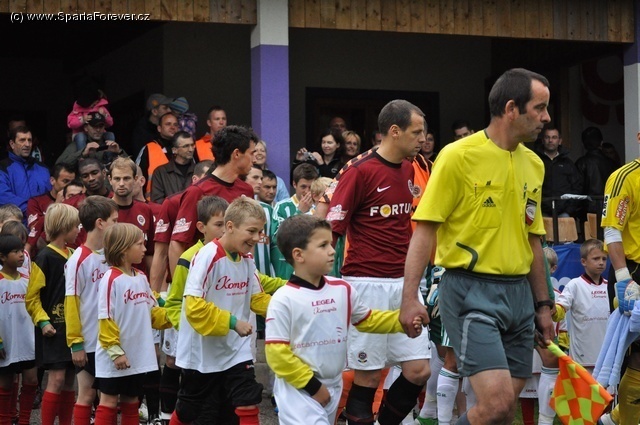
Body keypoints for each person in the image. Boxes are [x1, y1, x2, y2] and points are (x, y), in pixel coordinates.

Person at [401, 68, 555, 425]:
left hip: (518, 296)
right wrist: (410, 297)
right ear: (512, 109)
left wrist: (543, 305)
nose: (547, 118)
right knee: (497, 404)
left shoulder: (534, 164)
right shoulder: (458, 155)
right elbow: (424, 230)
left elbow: (533, 238)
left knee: (501, 412)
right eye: (540, 108)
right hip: (470, 291)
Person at [328, 99, 430, 425]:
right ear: (395, 131)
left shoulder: (411, 168)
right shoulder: (358, 171)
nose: (422, 139)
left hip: (404, 284)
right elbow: (332, 229)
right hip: (366, 283)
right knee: (369, 376)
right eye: (416, 132)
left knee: (419, 370)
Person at [265, 214, 421, 425]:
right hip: (298, 389)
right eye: (323, 245)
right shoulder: (284, 299)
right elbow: (277, 354)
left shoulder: (342, 289)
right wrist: (313, 386)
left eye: (330, 244)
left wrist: (403, 320)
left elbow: (367, 320)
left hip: (333, 385)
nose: (332, 250)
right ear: (298, 255)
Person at [170, 196, 271, 425]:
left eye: (260, 232)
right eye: (251, 231)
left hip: (236, 350)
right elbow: (194, 307)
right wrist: (233, 322)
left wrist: (288, 310)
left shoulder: (247, 259)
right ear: (230, 226)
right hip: (202, 353)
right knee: (189, 411)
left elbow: (257, 298)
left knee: (247, 400)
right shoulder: (207, 256)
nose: (257, 238)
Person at [92, 223, 171, 425]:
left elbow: (152, 313)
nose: (145, 249)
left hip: (137, 355)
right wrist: (115, 352)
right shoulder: (110, 279)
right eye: (139, 244)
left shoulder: (141, 278)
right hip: (115, 356)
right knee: (109, 401)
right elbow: (106, 318)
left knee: (132, 401)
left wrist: (174, 317)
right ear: (123, 249)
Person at [161, 196, 228, 423]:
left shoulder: (232, 255)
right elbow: (173, 302)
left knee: (223, 404)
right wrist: (188, 328)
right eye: (218, 224)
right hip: (196, 347)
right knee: (193, 406)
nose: (224, 230)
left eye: (227, 224)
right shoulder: (188, 258)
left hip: (221, 342)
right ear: (201, 227)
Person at [596, 131, 640, 425]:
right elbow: (612, 229)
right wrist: (623, 278)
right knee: (636, 356)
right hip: (633, 271)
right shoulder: (625, 177)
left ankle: (613, 420)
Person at [63, 196, 119, 425]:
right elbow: (71, 303)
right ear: (100, 223)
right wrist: (76, 343)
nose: (117, 224)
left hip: (110, 339)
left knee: (110, 397)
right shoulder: (78, 260)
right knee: (87, 394)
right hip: (89, 342)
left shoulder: (112, 255)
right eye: (114, 220)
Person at [168, 126, 256, 271]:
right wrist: (182, 284)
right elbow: (177, 244)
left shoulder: (246, 190)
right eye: (251, 153)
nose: (254, 159)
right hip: (204, 277)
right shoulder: (197, 191)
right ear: (236, 154)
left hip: (236, 277)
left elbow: (249, 241)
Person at [26, 203, 80, 425]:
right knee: (56, 379)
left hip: (73, 328)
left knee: (69, 380)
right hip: (54, 329)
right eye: (75, 225)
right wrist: (42, 321)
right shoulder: (45, 257)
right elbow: (32, 297)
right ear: (64, 227)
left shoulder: (75, 255)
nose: (78, 229)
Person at [148, 160, 213, 294]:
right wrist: (154, 297)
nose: (211, 184)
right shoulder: (172, 203)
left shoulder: (223, 201)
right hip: (182, 283)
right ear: (195, 180)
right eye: (207, 178)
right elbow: (160, 253)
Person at [553, 238, 609, 370]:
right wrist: (552, 310)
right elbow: (559, 310)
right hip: (581, 361)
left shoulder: (610, 286)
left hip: (606, 361)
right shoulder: (575, 285)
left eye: (604, 259)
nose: (601, 262)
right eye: (596, 259)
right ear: (583, 262)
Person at [0, 234, 38, 425]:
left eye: (22, 250)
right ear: (2, 257)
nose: (21, 255)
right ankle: (5, 420)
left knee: (31, 380)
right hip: (6, 342)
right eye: (15, 252)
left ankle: (24, 420)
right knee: (6, 383)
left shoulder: (28, 279)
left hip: (27, 341)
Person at [272, 163, 319, 280]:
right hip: (287, 272)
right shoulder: (282, 207)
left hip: (313, 269)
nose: (307, 192)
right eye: (303, 187)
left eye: (311, 187)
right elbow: (277, 238)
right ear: (294, 184)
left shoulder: (320, 208)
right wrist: (299, 212)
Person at [0, 126, 51, 218]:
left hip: (43, 222)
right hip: (16, 223)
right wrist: (33, 210)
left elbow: (51, 195)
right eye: (22, 140)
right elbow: (3, 196)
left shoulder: (43, 168)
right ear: (12, 144)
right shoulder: (3, 168)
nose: (27, 144)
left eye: (29, 140)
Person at [26, 163, 75, 255]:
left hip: (72, 252)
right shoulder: (35, 202)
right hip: (45, 253)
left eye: (72, 182)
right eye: (65, 181)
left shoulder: (78, 201)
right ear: (52, 180)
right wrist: (56, 206)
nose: (69, 186)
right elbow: (35, 230)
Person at [537, 126, 583, 218]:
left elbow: (577, 188)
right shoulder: (536, 161)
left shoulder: (568, 163)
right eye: (547, 137)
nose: (550, 140)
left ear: (560, 141)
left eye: (554, 137)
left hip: (564, 213)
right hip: (541, 213)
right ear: (542, 140)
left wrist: (569, 211)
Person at [57, 112, 125, 170]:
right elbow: (58, 167)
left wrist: (119, 152)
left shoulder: (110, 143)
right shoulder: (77, 145)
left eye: (101, 126)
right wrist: (82, 154)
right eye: (94, 127)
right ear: (86, 128)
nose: (98, 130)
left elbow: (129, 165)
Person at [136, 112, 180, 199]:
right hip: (153, 203)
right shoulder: (148, 149)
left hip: (180, 202)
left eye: (175, 125)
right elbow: (137, 179)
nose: (172, 127)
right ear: (159, 128)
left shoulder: (184, 148)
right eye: (168, 124)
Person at [575, 126, 617, 217]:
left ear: (583, 144)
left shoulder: (581, 163)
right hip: (610, 208)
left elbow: (577, 189)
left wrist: (577, 211)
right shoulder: (612, 164)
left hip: (588, 209)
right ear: (601, 143)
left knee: (588, 227)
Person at [150, 131, 196, 204]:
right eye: (186, 146)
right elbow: (157, 202)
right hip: (170, 211)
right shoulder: (160, 172)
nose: (191, 149)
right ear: (174, 150)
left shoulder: (198, 170)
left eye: (192, 145)